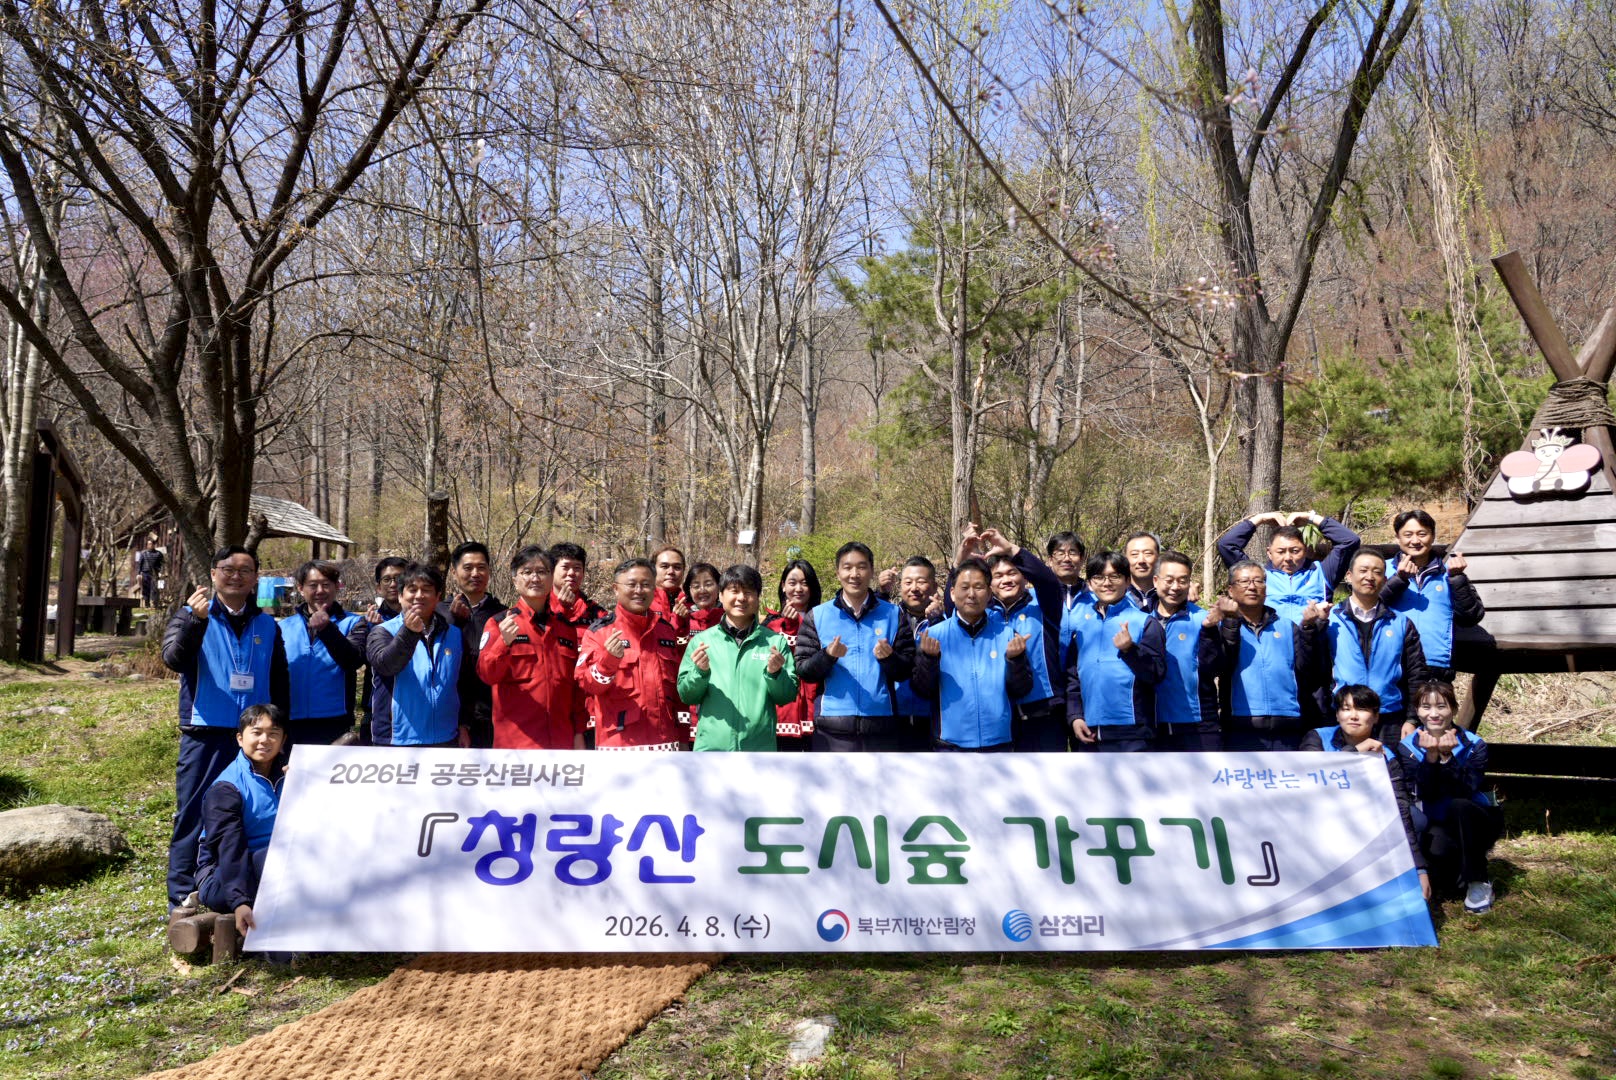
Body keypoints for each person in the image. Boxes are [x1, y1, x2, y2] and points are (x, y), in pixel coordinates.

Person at [161, 546, 289, 916]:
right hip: (206, 730)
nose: (236, 576)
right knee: (192, 814)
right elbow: (174, 660)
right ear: (214, 574)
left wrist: (283, 734)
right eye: (228, 569)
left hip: (255, 737)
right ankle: (183, 896)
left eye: (246, 570)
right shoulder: (193, 614)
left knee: (251, 811)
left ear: (255, 580)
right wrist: (195, 622)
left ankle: (241, 886)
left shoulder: (267, 624)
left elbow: (280, 683)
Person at [1300, 685, 1430, 901]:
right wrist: (1355, 753)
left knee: (1415, 818)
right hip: (1320, 818)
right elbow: (1309, 782)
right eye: (1346, 708)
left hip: (1366, 822)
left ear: (1376, 716)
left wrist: (1419, 868)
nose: (1353, 716)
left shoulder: (1386, 755)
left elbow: (1399, 808)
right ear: (1337, 714)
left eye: (1362, 709)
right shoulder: (1317, 738)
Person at [794, 541, 917, 752]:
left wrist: (889, 658)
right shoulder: (819, 615)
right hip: (832, 728)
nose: (854, 574)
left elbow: (906, 670)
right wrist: (828, 656)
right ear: (838, 572)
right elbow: (804, 670)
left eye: (861, 567)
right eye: (847, 567)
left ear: (871, 571)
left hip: (881, 726)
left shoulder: (893, 615)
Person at [910, 558, 1037, 752]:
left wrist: (1015, 660)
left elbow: (1022, 690)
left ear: (989, 593)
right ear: (952, 593)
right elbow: (922, 691)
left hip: (999, 743)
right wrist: (929, 659)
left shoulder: (1008, 635)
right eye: (964, 587)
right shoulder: (933, 635)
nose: (971, 594)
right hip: (950, 745)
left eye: (978, 587)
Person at [1401, 680, 1503, 913]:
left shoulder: (1474, 745)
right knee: (1442, 869)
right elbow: (1422, 791)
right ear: (1417, 711)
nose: (1434, 714)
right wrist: (1430, 758)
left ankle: (1479, 881)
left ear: (1454, 709)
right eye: (1426, 707)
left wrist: (1448, 758)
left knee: (1459, 805)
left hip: (1476, 819)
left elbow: (1468, 788)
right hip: (1436, 822)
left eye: (1442, 706)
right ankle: (1456, 875)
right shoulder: (1406, 748)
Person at [678, 564, 799, 751]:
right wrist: (699, 672)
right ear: (721, 595)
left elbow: (787, 696)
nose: (741, 598)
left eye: (749, 592)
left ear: (758, 598)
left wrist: (776, 674)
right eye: (734, 591)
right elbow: (687, 695)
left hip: (759, 750)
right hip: (712, 750)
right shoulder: (702, 642)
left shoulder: (774, 642)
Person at [1212, 559, 1329, 751]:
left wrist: (1308, 629)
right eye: (1244, 581)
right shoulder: (1222, 627)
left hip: (1288, 726)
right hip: (1241, 727)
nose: (1252, 587)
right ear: (1231, 590)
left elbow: (1306, 669)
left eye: (1259, 581)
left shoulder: (1287, 626)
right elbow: (1220, 667)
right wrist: (1230, 622)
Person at [478, 546, 586, 750]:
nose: (535, 578)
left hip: (561, 742)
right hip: (517, 746)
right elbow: (487, 675)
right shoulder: (499, 623)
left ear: (551, 577)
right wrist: (504, 643)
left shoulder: (565, 629)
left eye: (542, 572)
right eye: (527, 572)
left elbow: (575, 691)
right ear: (515, 580)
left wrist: (578, 733)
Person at [576, 558, 688, 750]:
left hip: (666, 745)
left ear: (654, 589)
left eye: (646, 585)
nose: (639, 591)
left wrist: (684, 739)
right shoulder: (599, 632)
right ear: (615, 588)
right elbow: (587, 684)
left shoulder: (666, 632)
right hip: (619, 746)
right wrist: (608, 661)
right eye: (631, 584)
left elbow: (678, 695)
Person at [1061, 550, 1166, 752]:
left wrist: (1130, 650)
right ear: (1090, 584)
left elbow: (1157, 674)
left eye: (1115, 576)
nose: (1106, 583)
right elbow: (1073, 678)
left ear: (1127, 581)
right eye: (1099, 577)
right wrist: (1075, 717)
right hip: (1089, 733)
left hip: (1133, 734)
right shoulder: (1082, 627)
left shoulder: (1145, 623)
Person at [195, 704, 286, 936]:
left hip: (279, 866)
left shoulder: (291, 776)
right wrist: (240, 901)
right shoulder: (226, 788)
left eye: (273, 733)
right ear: (239, 738)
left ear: (283, 740)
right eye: (256, 732)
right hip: (223, 877)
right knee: (274, 858)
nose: (265, 740)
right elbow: (229, 847)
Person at [1324, 550, 1429, 744]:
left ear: (1385, 579)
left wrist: (1412, 718)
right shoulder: (1330, 620)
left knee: (1390, 773)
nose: (1369, 577)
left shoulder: (1401, 623)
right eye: (1363, 570)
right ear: (1349, 576)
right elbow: (1317, 673)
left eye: (1377, 572)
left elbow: (1417, 674)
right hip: (1344, 716)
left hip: (1390, 717)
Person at [366, 563, 475, 747]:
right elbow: (386, 665)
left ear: (437, 597)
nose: (419, 596)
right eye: (412, 590)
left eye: (426, 590)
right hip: (397, 740)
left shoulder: (454, 634)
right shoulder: (382, 632)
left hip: (446, 737)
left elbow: (464, 684)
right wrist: (409, 632)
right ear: (400, 596)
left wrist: (463, 725)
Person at [1379, 510, 1485, 682]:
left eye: (1422, 534)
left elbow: (1471, 617)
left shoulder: (1449, 573)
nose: (1415, 540)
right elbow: (1367, 608)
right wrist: (1399, 580)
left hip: (1436, 667)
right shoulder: (1382, 569)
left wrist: (1458, 579)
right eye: (1408, 534)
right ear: (1398, 538)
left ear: (1433, 536)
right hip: (1390, 664)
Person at [1216, 510, 1361, 624]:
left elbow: (1350, 541)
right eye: (1280, 551)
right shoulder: (1257, 576)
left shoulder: (1322, 573)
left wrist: (1311, 518)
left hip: (1313, 646)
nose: (1288, 558)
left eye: (1295, 551)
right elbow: (1227, 545)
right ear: (1269, 553)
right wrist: (1259, 519)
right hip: (1272, 645)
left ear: (1305, 550)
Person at [280, 560, 367, 746]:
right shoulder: (283, 627)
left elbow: (353, 660)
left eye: (326, 584)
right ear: (301, 588)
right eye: (313, 585)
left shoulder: (354, 623)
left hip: (335, 719)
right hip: (290, 720)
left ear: (337, 587)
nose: (320, 590)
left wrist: (327, 629)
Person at [1151, 550, 1223, 752]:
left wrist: (1209, 631)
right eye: (1169, 580)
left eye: (1183, 581)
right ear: (1156, 581)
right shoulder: (1141, 619)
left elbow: (1214, 667)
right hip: (1152, 722)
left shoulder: (1203, 619)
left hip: (1198, 723)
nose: (1175, 587)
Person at [443, 542, 504, 749]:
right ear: (454, 572)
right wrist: (455, 621)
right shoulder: (439, 614)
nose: (475, 573)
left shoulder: (503, 615)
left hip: (492, 715)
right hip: (447, 715)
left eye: (481, 567)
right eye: (468, 568)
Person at [548, 541, 606, 748]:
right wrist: (559, 612)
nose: (571, 573)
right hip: (551, 710)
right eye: (565, 567)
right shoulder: (539, 611)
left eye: (577, 568)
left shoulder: (598, 615)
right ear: (551, 570)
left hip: (590, 710)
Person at [764, 559, 823, 751]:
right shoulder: (769, 625)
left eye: (805, 583)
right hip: (781, 710)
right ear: (783, 586)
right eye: (792, 582)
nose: (798, 589)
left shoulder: (823, 620)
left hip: (816, 705)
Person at [889, 555, 945, 750]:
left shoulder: (946, 623)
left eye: (921, 582)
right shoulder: (888, 619)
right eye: (908, 582)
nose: (914, 588)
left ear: (934, 586)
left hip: (934, 719)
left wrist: (938, 622)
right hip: (892, 717)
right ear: (900, 586)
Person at [354, 556, 408, 745]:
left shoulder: (424, 619)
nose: (394, 584)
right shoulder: (368, 621)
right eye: (387, 579)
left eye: (399, 578)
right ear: (378, 587)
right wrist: (377, 632)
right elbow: (354, 658)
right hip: (378, 708)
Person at [1045, 531, 1091, 611]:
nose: (1067, 559)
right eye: (1060, 553)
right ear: (1050, 561)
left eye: (1072, 553)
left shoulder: (1094, 597)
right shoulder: (1036, 596)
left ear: (1082, 560)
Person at [650, 546, 690, 636]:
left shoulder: (691, 603)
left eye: (677, 567)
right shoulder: (643, 602)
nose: (671, 571)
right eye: (664, 566)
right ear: (653, 570)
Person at [683, 563, 724, 635]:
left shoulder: (729, 616)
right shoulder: (684, 617)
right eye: (696, 586)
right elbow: (677, 642)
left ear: (719, 586)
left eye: (708, 585)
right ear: (689, 590)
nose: (702, 590)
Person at [1123, 532, 1160, 611]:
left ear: (1158, 557)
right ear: (1126, 558)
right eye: (1134, 554)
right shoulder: (1116, 594)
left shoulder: (1170, 594)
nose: (1141, 560)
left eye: (1148, 554)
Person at [134, 536, 165, 607]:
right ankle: (146, 604)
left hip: (155, 574)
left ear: (154, 545)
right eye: (148, 544)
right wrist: (138, 574)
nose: (150, 545)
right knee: (146, 589)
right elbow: (140, 564)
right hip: (145, 573)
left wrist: (161, 572)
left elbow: (162, 564)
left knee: (155, 589)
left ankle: (155, 604)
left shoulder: (158, 554)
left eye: (151, 544)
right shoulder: (143, 554)